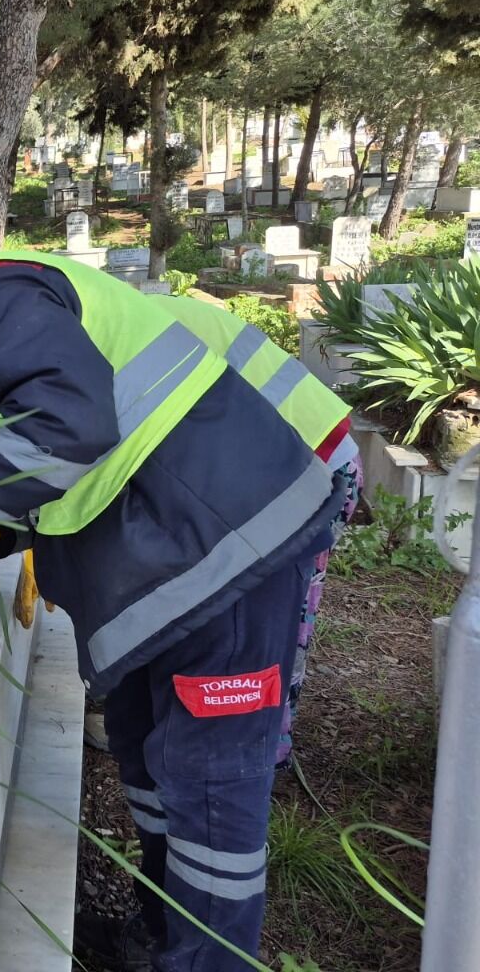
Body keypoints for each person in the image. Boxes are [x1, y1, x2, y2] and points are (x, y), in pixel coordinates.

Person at [0, 234, 347, 972]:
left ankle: (206, 961)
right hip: (170, 562)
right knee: (145, 755)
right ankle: (161, 935)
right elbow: (56, 459)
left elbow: (71, 430)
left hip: (227, 551)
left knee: (208, 788)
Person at [152, 294, 361, 769]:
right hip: (295, 457)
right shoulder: (130, 315)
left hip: (311, 468)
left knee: (276, 616)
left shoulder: (132, 333)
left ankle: (262, 750)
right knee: (265, 615)